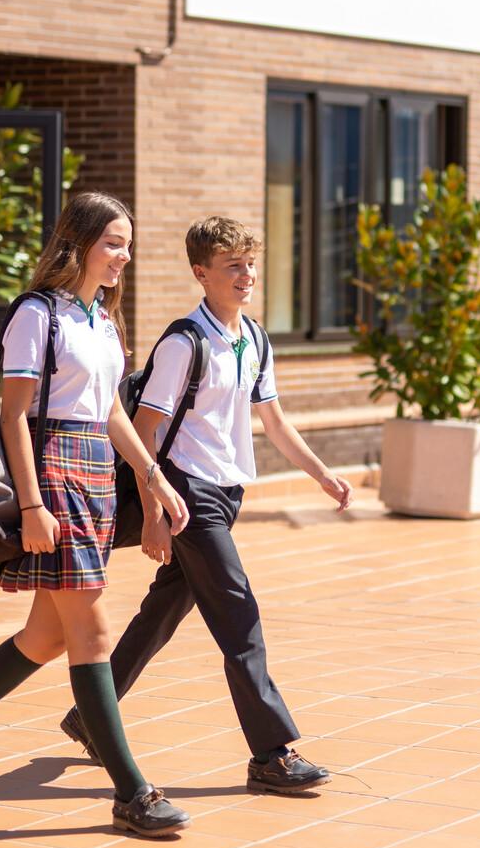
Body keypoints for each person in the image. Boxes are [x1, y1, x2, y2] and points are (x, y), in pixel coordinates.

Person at [0, 192, 192, 839]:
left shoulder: (103, 318)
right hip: (55, 472)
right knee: (89, 631)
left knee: (49, 636)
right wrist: (33, 505)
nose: (124, 255)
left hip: (95, 470)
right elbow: (12, 414)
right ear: (81, 242)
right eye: (113, 243)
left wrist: (152, 479)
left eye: (128, 244)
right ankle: (133, 793)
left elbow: (115, 414)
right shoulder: (38, 316)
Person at [61, 216, 354, 794]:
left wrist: (321, 474)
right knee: (239, 616)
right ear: (202, 273)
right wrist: (153, 515)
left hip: (227, 491)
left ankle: (90, 717)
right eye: (232, 267)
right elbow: (143, 431)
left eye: (250, 264)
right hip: (185, 494)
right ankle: (271, 753)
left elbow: (272, 419)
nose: (247, 276)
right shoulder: (183, 342)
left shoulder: (254, 338)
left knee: (164, 612)